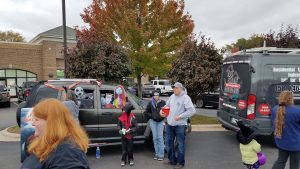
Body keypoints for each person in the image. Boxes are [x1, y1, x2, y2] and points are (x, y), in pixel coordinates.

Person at [21, 98, 90, 169]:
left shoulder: (67, 153)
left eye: (36, 120)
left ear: (51, 123)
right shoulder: (46, 143)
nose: (33, 123)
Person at [160, 82, 196, 169]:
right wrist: (162, 111)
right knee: (168, 143)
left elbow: (192, 111)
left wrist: (180, 116)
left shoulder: (185, 98)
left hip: (180, 125)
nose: (174, 89)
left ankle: (180, 163)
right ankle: (172, 159)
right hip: (170, 124)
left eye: (176, 88)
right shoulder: (172, 96)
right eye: (173, 88)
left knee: (180, 145)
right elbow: (166, 106)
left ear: (181, 89)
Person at [271, 91, 300, 169]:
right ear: (291, 99)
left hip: (281, 142)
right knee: (294, 165)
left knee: (280, 161)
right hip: (295, 144)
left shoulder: (275, 109)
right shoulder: (297, 111)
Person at [144, 91, 166, 161]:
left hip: (160, 122)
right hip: (153, 122)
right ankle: (156, 153)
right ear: (153, 96)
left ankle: (161, 154)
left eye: (157, 95)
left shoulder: (163, 102)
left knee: (160, 138)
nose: (156, 96)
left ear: (159, 95)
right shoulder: (151, 103)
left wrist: (163, 118)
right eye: (155, 95)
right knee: (155, 138)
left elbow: (166, 112)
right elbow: (146, 112)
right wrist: (152, 116)